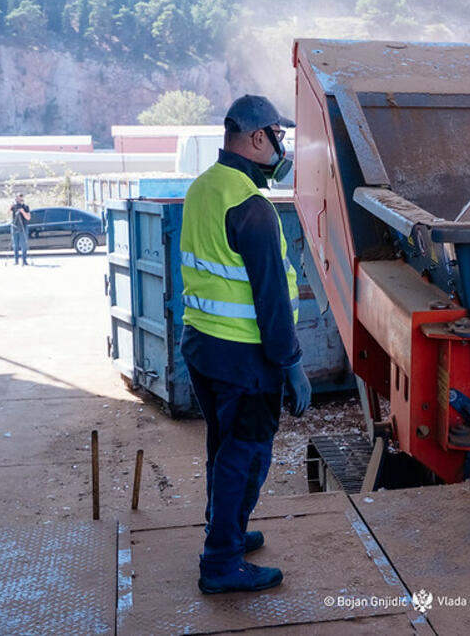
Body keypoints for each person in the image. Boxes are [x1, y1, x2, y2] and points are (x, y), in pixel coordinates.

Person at [180, 94, 310, 595]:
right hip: (245, 359)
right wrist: (293, 365)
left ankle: (226, 531)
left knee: (223, 447)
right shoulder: (252, 206)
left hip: (203, 348)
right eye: (278, 136)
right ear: (258, 138)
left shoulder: (202, 188)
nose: (281, 147)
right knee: (247, 455)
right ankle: (221, 563)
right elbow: (272, 299)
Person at [10, 193, 30, 265]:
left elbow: (28, 218)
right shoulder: (14, 207)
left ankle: (24, 260)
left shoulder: (26, 207)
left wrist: (22, 211)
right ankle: (16, 260)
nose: (20, 199)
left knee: (23, 244)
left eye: (21, 197)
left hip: (23, 226)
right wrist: (10, 207)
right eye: (18, 198)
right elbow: (7, 213)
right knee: (15, 244)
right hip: (15, 226)